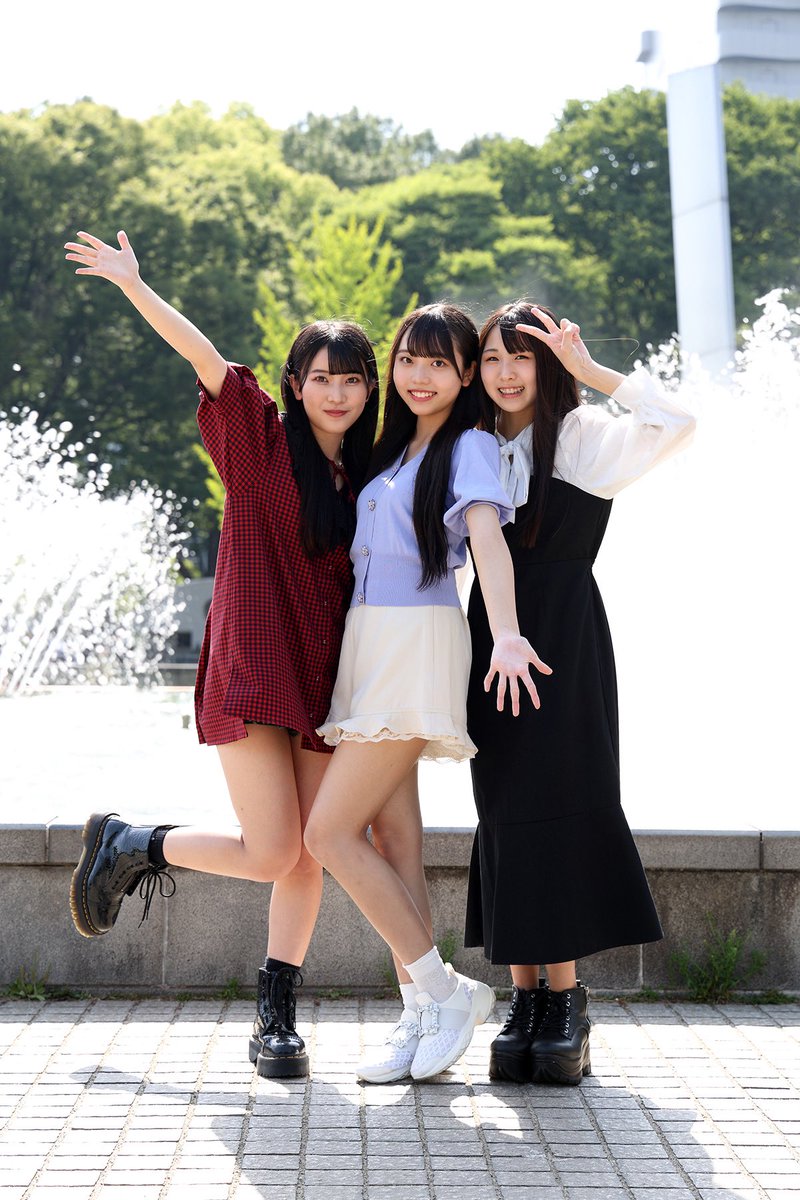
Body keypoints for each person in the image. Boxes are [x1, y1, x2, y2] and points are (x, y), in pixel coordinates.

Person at [63, 228, 403, 1080]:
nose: (336, 392)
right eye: (321, 377)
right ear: (296, 384)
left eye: (352, 378)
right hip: (255, 666)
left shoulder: (371, 480)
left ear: (369, 389)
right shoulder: (258, 443)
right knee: (273, 851)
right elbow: (204, 356)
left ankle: (276, 1017)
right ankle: (136, 843)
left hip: (327, 682)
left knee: (312, 848)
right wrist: (134, 285)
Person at [303, 303, 552, 1082]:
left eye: (439, 363)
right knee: (394, 841)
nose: (419, 376)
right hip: (370, 642)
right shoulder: (392, 450)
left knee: (327, 835)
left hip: (415, 643)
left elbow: (486, 540)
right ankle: (418, 1015)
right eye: (409, 359)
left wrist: (505, 633)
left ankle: (444, 993)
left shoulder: (468, 445)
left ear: (464, 374)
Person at [465, 301, 696, 1085]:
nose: (505, 373)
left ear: (548, 365)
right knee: (502, 805)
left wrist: (593, 372)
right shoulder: (475, 444)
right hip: (491, 636)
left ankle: (565, 1004)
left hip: (563, 636)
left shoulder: (582, 436)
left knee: (557, 799)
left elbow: (679, 423)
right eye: (492, 358)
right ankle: (524, 998)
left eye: (522, 357)